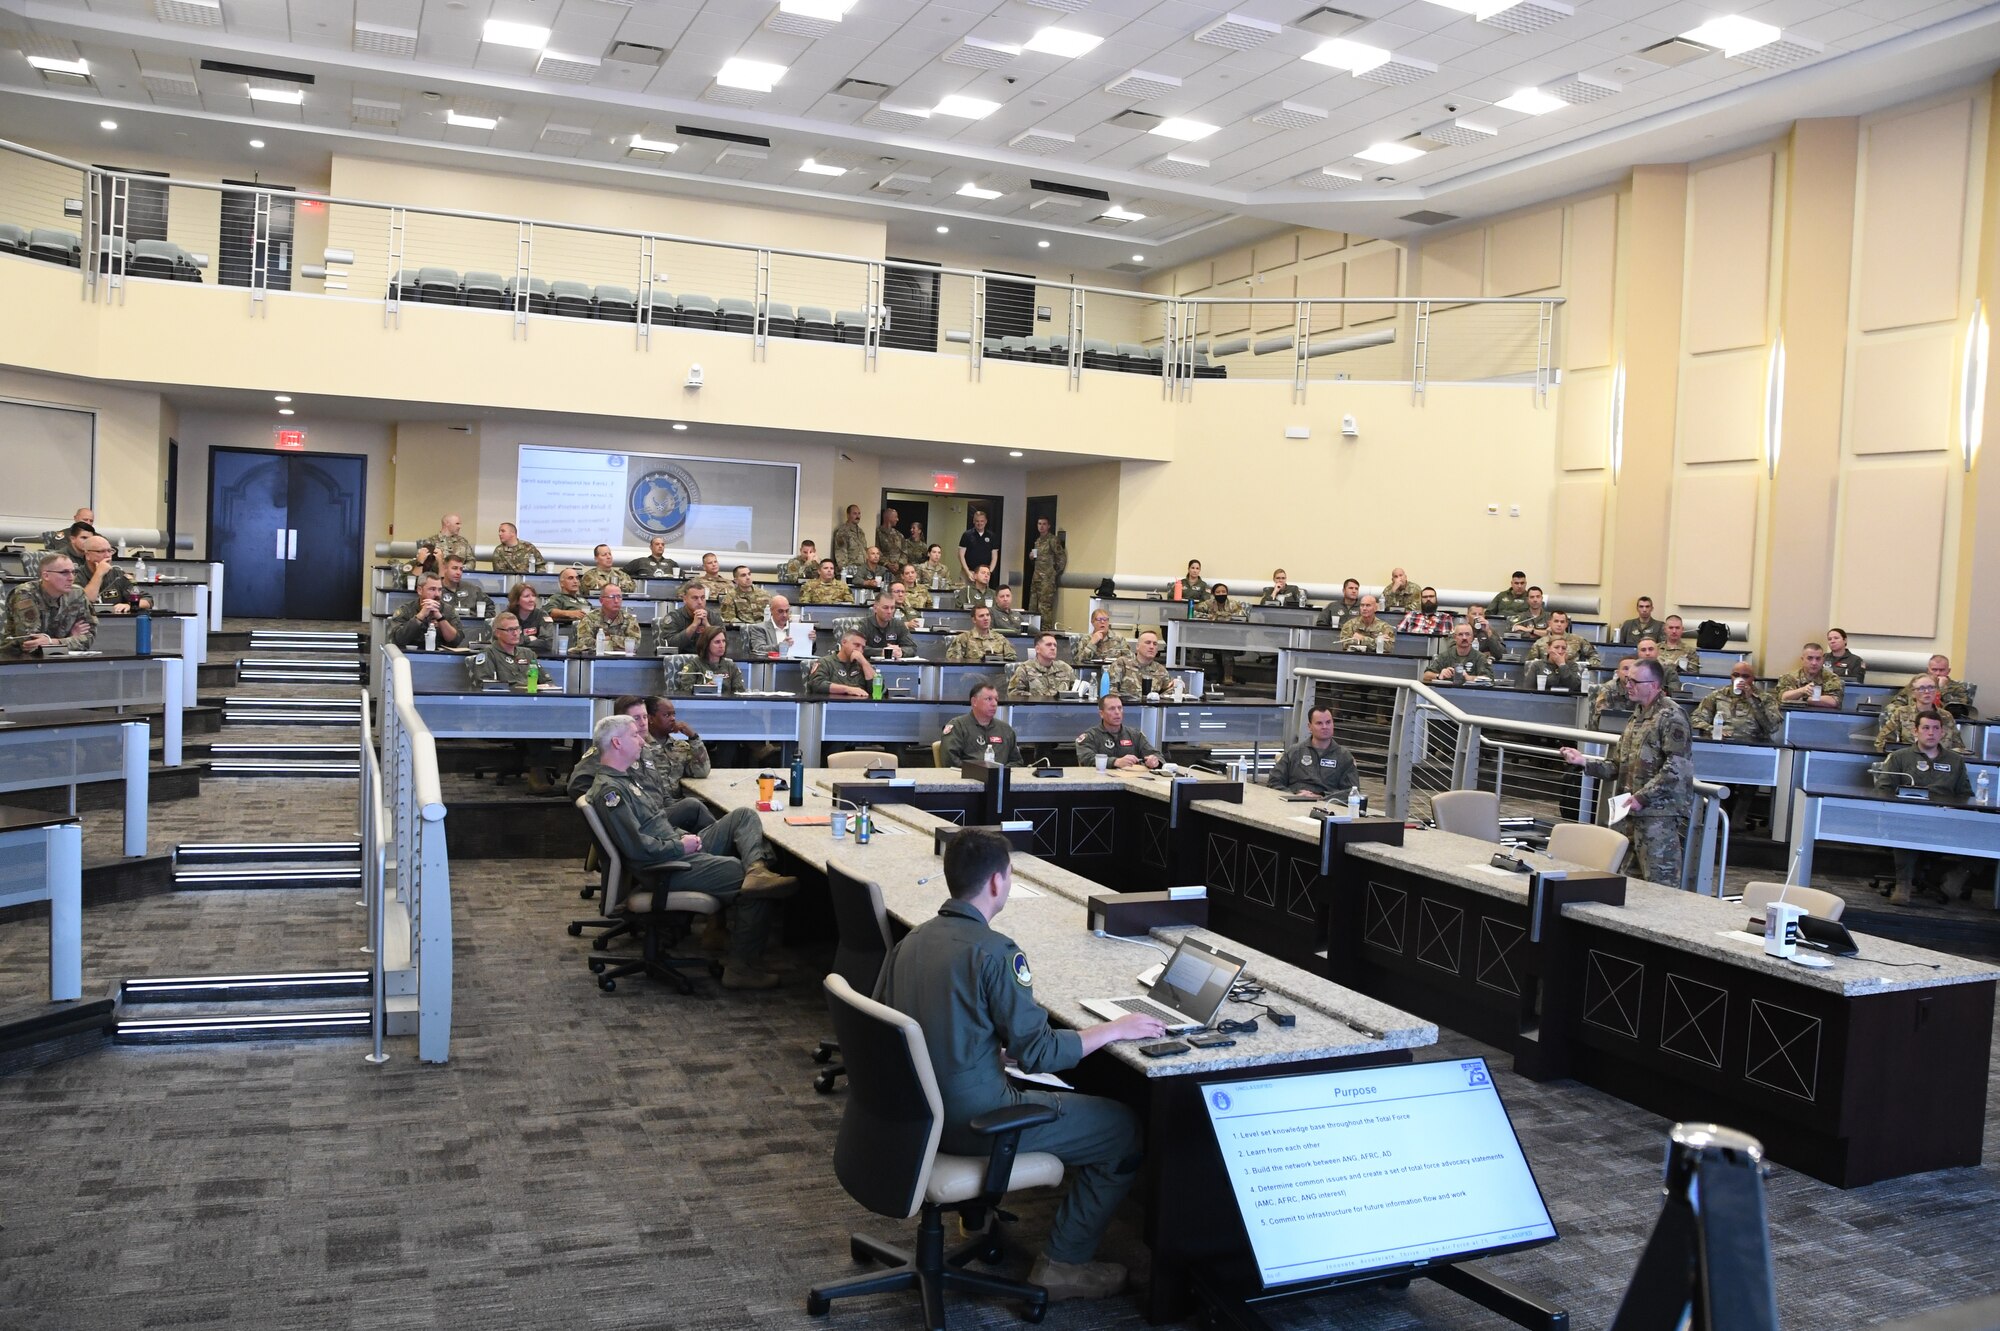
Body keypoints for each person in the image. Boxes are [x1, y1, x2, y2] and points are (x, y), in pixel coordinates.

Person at [874, 829, 1158, 1301]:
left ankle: (977, 1214)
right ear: (996, 884)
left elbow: (895, 1027)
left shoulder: (911, 941)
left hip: (914, 1114)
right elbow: (1040, 1053)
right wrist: (1113, 1029)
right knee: (1122, 1128)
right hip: (973, 1121)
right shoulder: (995, 952)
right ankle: (1064, 1265)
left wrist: (982, 1048)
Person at [584, 713, 797, 990]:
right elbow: (638, 850)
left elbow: (653, 826)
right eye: (634, 735)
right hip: (663, 866)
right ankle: (742, 968)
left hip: (675, 848)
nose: (641, 739)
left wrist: (683, 837)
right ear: (616, 743)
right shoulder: (611, 791)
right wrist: (679, 845)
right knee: (745, 877)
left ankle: (757, 867)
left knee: (742, 816)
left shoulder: (626, 779)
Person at [1561, 659, 1693, 888]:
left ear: (1653, 685)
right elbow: (1617, 765)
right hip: (1629, 814)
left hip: (1657, 818)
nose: (1628, 685)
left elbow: (1676, 768)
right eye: (1627, 680)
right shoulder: (1637, 716)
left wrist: (1642, 798)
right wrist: (1584, 762)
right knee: (1626, 885)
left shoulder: (1671, 716)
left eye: (1634, 681)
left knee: (1660, 888)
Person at [1874, 710, 1974, 906]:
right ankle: (1903, 884)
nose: (1931, 732)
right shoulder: (1899, 757)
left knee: (1989, 830)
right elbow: (1883, 789)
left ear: (1942, 732)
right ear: (1916, 731)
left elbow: (1965, 794)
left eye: (1936, 728)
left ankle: (1958, 876)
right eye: (1926, 728)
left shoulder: (1955, 760)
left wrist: (1956, 809)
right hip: (1908, 817)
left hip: (1944, 819)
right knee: (1906, 828)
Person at [466, 612, 557, 790]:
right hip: (502, 712)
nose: (516, 633)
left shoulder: (528, 653)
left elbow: (547, 681)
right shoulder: (488, 654)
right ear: (497, 633)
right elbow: (486, 686)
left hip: (531, 708)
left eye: (517, 629)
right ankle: (538, 775)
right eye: (510, 630)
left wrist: (545, 688)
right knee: (537, 723)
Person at [2, 554, 97, 654]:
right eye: (64, 573)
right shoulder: (25, 594)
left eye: (73, 572)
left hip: (60, 658)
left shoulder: (77, 593)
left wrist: (53, 642)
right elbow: (30, 644)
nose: (71, 578)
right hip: (16, 658)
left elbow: (88, 638)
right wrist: (70, 637)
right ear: (46, 575)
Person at [1266, 705, 1358, 799]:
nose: (1325, 727)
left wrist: (1321, 796)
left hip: (1327, 807)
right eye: (1319, 723)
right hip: (1293, 804)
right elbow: (1274, 782)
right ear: (1309, 727)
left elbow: (1352, 792)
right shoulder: (1294, 752)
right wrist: (1294, 796)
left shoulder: (1344, 756)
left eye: (1328, 722)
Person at [1876, 676, 1967, 752]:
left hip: (1941, 764)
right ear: (1913, 693)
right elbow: (1882, 743)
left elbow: (1958, 747)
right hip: (1908, 762)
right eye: (1921, 688)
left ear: (1936, 691)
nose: (1927, 692)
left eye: (1931, 687)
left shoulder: (1946, 716)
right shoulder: (1902, 713)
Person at [1691, 663, 1780, 741]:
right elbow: (1696, 719)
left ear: (1753, 679)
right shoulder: (1718, 695)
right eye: (1736, 675)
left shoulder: (1766, 698)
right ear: (1731, 677)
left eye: (1745, 676)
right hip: (1722, 742)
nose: (1740, 679)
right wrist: (1714, 729)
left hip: (1753, 744)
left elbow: (1772, 728)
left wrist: (1752, 699)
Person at [940, 682, 1020, 766]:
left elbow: (1016, 762)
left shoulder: (1006, 730)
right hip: (967, 777)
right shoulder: (957, 726)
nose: (994, 704)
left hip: (1000, 777)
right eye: (989, 699)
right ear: (974, 701)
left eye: (996, 699)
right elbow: (949, 761)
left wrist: (1000, 773)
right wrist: (977, 773)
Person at [1073, 693, 1160, 769]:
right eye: (1112, 709)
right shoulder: (1090, 736)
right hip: (1101, 782)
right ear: (1101, 714)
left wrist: (1155, 760)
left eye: (1120, 708)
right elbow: (1086, 759)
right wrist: (1115, 762)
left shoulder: (1135, 735)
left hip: (1131, 780)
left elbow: (1157, 755)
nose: (1117, 712)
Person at [386, 574, 461, 650]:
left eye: (440, 590)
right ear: (420, 590)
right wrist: (420, 616)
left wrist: (440, 618)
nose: (437, 594)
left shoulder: (449, 610)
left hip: (442, 658)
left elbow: (456, 641)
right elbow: (398, 639)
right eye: (432, 589)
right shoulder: (406, 610)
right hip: (410, 657)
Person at [1192, 582, 1248, 685]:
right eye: (1218, 592)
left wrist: (1218, 616)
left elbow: (1242, 616)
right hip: (1210, 636)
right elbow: (1193, 612)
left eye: (1223, 592)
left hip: (1230, 637)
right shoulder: (1208, 603)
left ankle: (1228, 677)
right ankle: (1195, 675)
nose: (1221, 594)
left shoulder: (1234, 604)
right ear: (1213, 594)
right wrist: (1211, 617)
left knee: (1226, 646)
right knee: (1196, 647)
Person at [671, 624, 747, 696]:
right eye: (717, 642)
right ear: (706, 644)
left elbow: (739, 692)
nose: (722, 645)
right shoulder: (693, 665)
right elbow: (684, 691)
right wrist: (703, 688)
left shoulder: (731, 666)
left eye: (723, 641)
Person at [80, 536, 150, 612]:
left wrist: (130, 605)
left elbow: (147, 599)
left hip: (114, 621)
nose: (107, 556)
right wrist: (99, 574)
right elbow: (85, 601)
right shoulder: (76, 575)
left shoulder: (119, 575)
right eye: (101, 551)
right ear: (87, 555)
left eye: (110, 551)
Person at [1890, 655, 1976, 717]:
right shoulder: (1917, 683)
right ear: (1928, 670)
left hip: (1942, 723)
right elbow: (1898, 701)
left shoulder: (1957, 688)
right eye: (1934, 670)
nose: (1938, 673)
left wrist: (1942, 689)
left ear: (1948, 671)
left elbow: (1957, 711)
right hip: (1911, 720)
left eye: (1942, 670)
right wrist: (1906, 712)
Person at [805, 629, 876, 697]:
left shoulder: (863, 666)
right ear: (844, 642)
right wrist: (848, 689)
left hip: (859, 706)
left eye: (863, 648)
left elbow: (878, 690)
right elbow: (816, 685)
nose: (860, 650)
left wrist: (864, 663)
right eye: (856, 645)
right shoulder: (825, 662)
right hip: (832, 705)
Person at [572, 585, 641, 655]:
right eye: (612, 597)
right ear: (601, 600)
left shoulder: (629, 619)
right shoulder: (590, 618)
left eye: (619, 597)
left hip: (623, 661)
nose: (616, 601)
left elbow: (635, 643)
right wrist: (616, 644)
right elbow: (583, 642)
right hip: (595, 660)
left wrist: (610, 639)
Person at [1108, 630, 1175, 699]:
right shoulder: (1122, 663)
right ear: (1137, 646)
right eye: (1148, 643)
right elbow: (1111, 692)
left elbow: (1169, 695)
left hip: (1151, 708)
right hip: (1125, 707)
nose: (1151, 647)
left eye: (1155, 644)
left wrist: (1177, 686)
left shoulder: (1161, 670)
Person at [1009, 632, 1077, 697]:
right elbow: (1013, 694)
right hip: (1035, 708)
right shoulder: (1024, 669)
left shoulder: (1065, 668)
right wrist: (1037, 698)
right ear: (1037, 649)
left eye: (1055, 645)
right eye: (1048, 645)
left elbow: (1077, 691)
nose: (1053, 648)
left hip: (1061, 708)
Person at [655, 582, 715, 656]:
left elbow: (722, 645)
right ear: (685, 599)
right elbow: (671, 647)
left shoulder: (713, 616)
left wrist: (707, 625)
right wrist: (693, 626)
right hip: (680, 659)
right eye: (695, 598)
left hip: (707, 659)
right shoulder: (674, 617)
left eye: (703, 598)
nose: (700, 602)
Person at [1776, 643, 1843, 709]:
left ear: (1823, 660)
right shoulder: (1789, 677)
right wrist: (1802, 691)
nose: (1814, 663)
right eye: (1810, 658)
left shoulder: (1831, 678)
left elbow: (1833, 701)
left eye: (1818, 659)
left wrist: (1804, 699)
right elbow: (1783, 697)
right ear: (1802, 659)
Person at [744, 595, 810, 658]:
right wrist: (781, 646)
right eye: (780, 611)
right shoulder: (759, 628)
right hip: (770, 666)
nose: (784, 615)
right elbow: (759, 649)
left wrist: (810, 641)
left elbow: (806, 652)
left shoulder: (796, 628)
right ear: (771, 610)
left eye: (787, 611)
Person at [1028, 517, 1065, 625]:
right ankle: (1034, 630)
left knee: (1044, 607)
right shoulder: (1038, 541)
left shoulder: (1053, 540)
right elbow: (1037, 560)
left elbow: (1061, 557)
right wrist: (1031, 558)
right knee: (1033, 606)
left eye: (1044, 524)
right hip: (1036, 577)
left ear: (1048, 526)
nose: (1041, 526)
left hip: (1047, 580)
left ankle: (1046, 630)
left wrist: (1054, 573)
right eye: (1039, 524)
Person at [1423, 625, 1491, 684]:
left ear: (1472, 638)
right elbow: (1426, 675)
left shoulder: (1480, 657)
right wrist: (1439, 675)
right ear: (1455, 638)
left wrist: (1468, 677)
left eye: (1467, 634)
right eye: (1460, 634)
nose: (1464, 638)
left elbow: (1488, 679)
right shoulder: (1445, 656)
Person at [946, 605, 1016, 663]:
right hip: (972, 675)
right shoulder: (963, 638)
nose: (986, 618)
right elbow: (954, 663)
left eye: (988, 615)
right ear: (974, 620)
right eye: (981, 616)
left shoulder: (1000, 638)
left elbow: (1011, 659)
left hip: (996, 676)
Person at [858, 593, 918, 659]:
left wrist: (901, 651)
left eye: (892, 608)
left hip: (893, 667)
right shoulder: (863, 624)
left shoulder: (898, 625)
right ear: (875, 608)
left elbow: (912, 648)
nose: (889, 611)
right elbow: (856, 647)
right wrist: (881, 652)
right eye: (885, 608)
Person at [1528, 611, 1598, 666]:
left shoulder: (1578, 640)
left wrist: (1584, 667)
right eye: (1556, 621)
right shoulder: (1540, 643)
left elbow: (1594, 657)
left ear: (1566, 624)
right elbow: (1530, 663)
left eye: (1562, 622)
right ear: (1549, 623)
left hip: (1572, 677)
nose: (1559, 624)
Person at [505, 583, 558, 656]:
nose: (531, 600)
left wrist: (519, 641)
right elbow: (503, 641)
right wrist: (528, 639)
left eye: (533, 596)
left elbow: (547, 644)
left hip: (535, 658)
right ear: (516, 600)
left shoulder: (542, 615)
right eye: (526, 596)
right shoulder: (506, 616)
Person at [1589, 658, 1639, 728]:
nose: (1629, 672)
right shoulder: (1608, 689)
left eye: (1633, 669)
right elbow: (1599, 719)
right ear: (1618, 673)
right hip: (1610, 730)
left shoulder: (1642, 689)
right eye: (1626, 669)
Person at [957, 507, 998, 585]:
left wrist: (989, 572)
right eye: (977, 521)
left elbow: (994, 557)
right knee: (966, 595)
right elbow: (960, 555)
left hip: (984, 574)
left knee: (982, 595)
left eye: (982, 521)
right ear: (973, 521)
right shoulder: (967, 535)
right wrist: (967, 572)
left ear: (986, 521)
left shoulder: (992, 536)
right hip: (968, 573)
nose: (980, 523)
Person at [832, 504, 869, 572]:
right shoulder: (842, 532)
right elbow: (840, 554)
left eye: (859, 513)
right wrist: (846, 571)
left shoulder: (861, 532)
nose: (857, 516)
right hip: (850, 571)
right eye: (854, 513)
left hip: (862, 570)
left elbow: (864, 550)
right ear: (848, 515)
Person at [874, 505, 906, 571]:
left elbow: (904, 553)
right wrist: (887, 564)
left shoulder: (899, 535)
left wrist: (899, 564)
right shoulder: (877, 533)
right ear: (889, 517)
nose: (897, 519)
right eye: (896, 517)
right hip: (882, 570)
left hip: (899, 571)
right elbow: (876, 551)